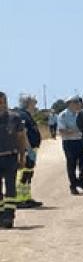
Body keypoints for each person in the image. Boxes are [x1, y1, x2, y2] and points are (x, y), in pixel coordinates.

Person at [0, 91, 30, 228]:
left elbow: (21, 138)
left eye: (3, 102)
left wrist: (22, 157)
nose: (2, 105)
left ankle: (9, 215)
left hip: (10, 157)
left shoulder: (14, 118)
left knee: (11, 187)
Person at [14, 95, 43, 209]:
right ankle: (19, 199)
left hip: (31, 149)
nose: (35, 103)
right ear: (27, 103)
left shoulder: (27, 115)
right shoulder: (22, 115)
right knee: (23, 174)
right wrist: (29, 149)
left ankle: (26, 197)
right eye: (33, 102)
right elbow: (23, 133)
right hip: (26, 149)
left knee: (28, 174)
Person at [57, 96, 83, 195]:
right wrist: (77, 130)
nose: (78, 104)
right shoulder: (63, 115)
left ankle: (80, 181)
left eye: (79, 102)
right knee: (71, 164)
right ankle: (73, 185)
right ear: (69, 104)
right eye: (75, 102)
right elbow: (62, 131)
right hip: (69, 143)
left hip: (82, 141)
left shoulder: (82, 114)